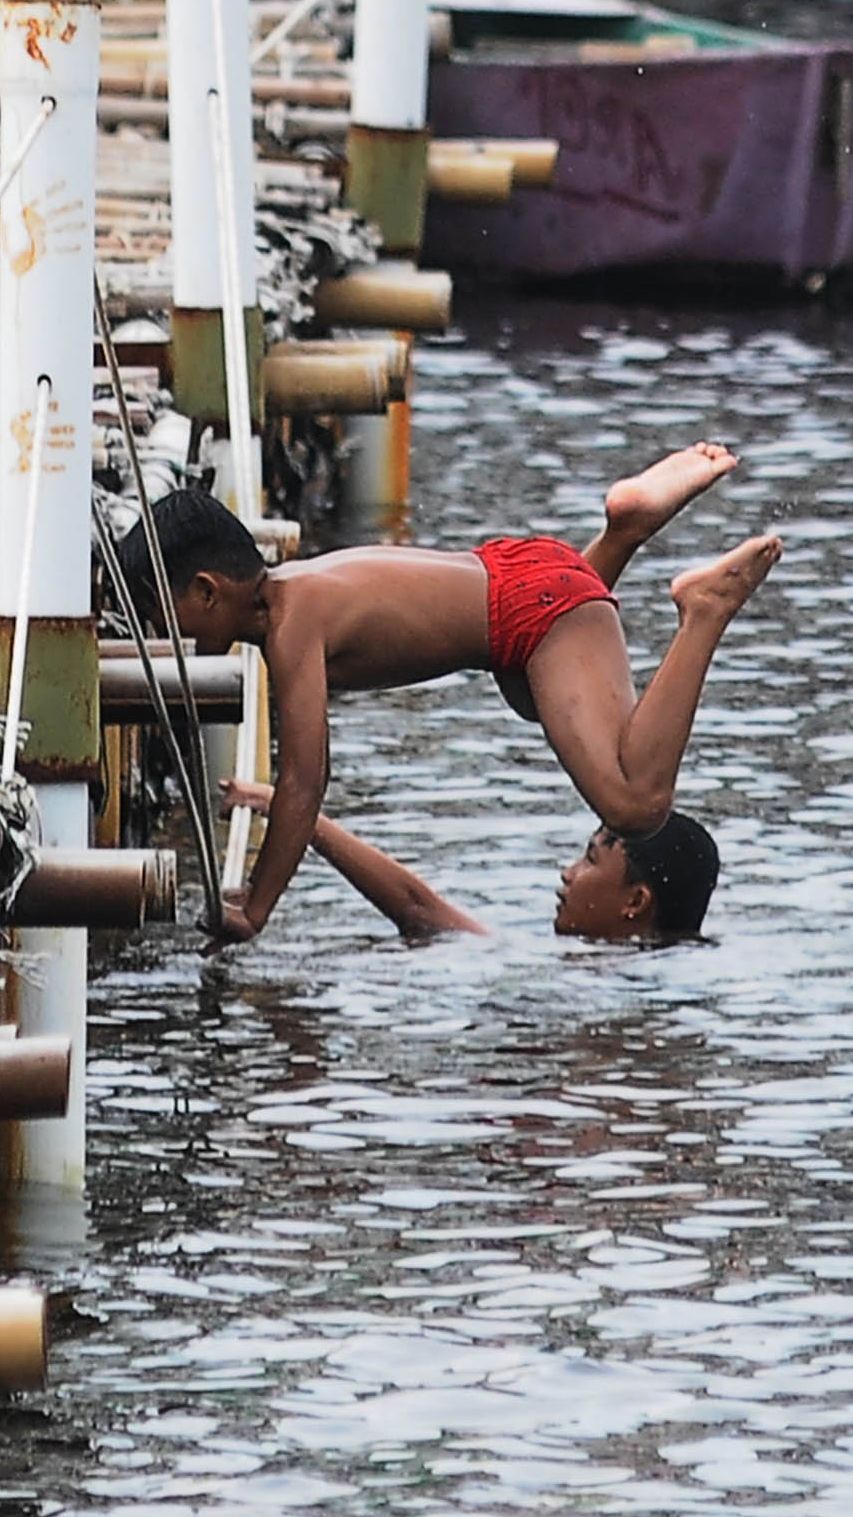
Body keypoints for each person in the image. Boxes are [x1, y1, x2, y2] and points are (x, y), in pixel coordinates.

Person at [116, 442, 781, 948]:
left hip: (536, 609)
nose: (156, 634)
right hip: (524, 581)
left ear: (208, 591)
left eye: (158, 614)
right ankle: (622, 531)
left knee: (634, 802)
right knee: (531, 701)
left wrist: (255, 907)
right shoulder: (293, 593)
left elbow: (305, 777)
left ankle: (703, 609)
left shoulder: (293, 628)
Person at [218, 786, 721, 944]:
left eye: (589, 859)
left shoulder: (595, 975)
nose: (568, 873)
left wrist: (296, 815)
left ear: (636, 901)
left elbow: (420, 911)